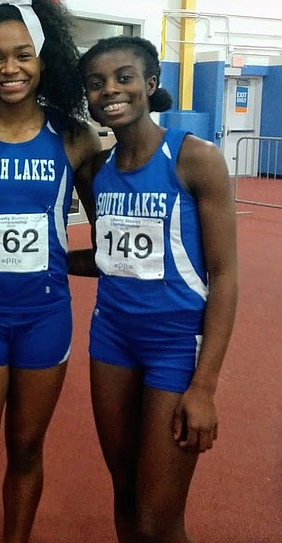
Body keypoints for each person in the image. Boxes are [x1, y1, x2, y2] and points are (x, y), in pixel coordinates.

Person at [0, 0, 100, 543]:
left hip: (44, 319)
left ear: (43, 58)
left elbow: (118, 228)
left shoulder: (75, 138)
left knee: (27, 451)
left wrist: (66, 266)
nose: (10, 68)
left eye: (22, 55)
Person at [75, 36, 238, 542]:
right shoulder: (96, 172)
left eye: (123, 78)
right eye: (97, 84)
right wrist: (40, 260)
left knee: (159, 517)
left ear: (150, 84)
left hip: (175, 347)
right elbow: (111, 257)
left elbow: (226, 276)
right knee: (124, 494)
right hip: (111, 343)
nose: (111, 91)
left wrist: (205, 386)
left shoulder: (195, 159)